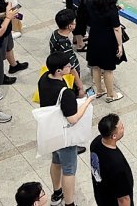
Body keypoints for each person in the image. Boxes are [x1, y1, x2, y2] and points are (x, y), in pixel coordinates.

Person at [39, 51, 98, 206]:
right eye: (67, 65)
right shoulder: (64, 93)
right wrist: (87, 101)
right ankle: (70, 203)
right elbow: (73, 119)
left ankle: (57, 193)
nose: (71, 67)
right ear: (59, 70)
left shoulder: (43, 79)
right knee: (69, 170)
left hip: (51, 131)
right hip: (64, 135)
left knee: (56, 161)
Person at [90, 113, 136, 206]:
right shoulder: (117, 165)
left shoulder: (95, 143)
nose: (123, 128)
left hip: (101, 196)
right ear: (114, 136)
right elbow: (124, 199)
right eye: (121, 127)